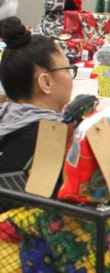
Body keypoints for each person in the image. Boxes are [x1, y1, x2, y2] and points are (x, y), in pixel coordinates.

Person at [0, 17, 74, 174]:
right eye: (67, 69)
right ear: (46, 82)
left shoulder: (6, 120)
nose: (70, 75)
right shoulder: (52, 139)